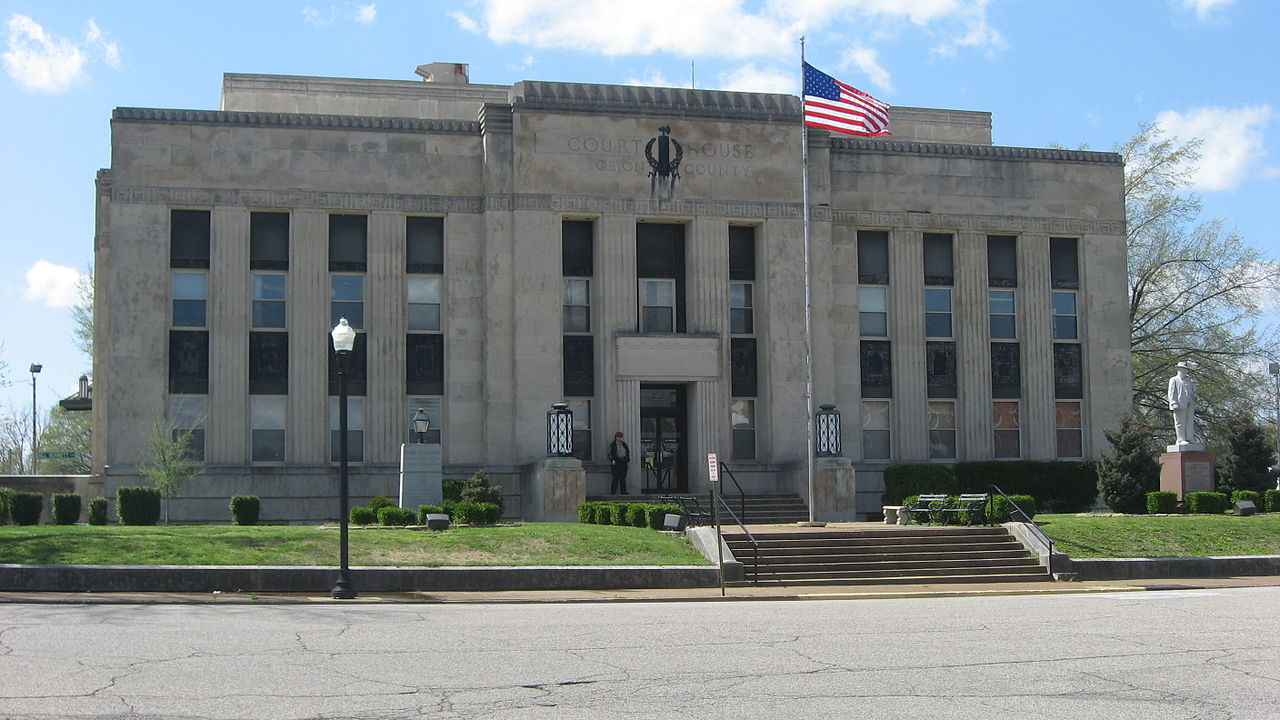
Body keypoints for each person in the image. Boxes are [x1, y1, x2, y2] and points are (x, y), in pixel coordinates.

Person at [1167, 361, 1197, 445]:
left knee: (1189, 422)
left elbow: (1194, 391)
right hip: (1180, 404)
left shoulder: (1190, 380)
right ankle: (1181, 439)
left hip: (1190, 404)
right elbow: (1171, 393)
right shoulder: (1174, 380)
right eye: (1183, 369)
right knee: (1180, 422)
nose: (1185, 371)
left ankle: (1190, 438)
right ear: (1179, 369)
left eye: (1186, 370)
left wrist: (1193, 395)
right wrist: (1173, 403)